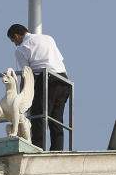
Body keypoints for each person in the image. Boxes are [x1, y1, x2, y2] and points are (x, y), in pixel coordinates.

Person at [7, 23, 70, 151]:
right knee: (56, 120)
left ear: (16, 35)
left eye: (14, 41)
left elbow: (25, 75)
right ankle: (57, 151)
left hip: (46, 80)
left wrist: (24, 99)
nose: (15, 44)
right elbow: (58, 59)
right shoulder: (48, 38)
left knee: (39, 118)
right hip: (63, 80)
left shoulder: (22, 48)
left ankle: (37, 150)